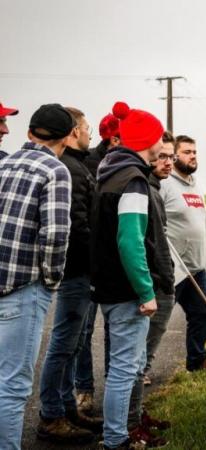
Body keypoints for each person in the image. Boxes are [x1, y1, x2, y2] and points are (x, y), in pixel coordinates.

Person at [91, 101, 172, 450]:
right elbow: (130, 241)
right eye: (158, 138)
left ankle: (121, 431)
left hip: (107, 286)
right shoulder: (135, 180)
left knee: (124, 366)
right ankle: (115, 439)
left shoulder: (109, 170)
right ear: (150, 140)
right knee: (125, 369)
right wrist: (145, 291)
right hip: (126, 291)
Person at [0, 103, 74, 450]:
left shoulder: (4, 162)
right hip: (24, 288)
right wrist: (52, 279)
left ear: (29, 132)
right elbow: (56, 235)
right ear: (66, 137)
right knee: (12, 388)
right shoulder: (55, 170)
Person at [37, 107, 103, 444]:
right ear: (74, 131)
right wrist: (93, 265)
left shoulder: (78, 164)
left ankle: (65, 406)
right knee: (64, 344)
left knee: (74, 343)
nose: (90, 134)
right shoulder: (71, 170)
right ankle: (51, 415)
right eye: (87, 128)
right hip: (76, 270)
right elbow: (78, 227)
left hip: (79, 271)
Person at [160, 134, 206, 372]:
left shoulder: (195, 184)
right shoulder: (165, 183)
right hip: (174, 267)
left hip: (196, 267)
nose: (193, 156)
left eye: (195, 152)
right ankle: (140, 369)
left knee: (201, 316)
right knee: (157, 321)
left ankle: (197, 361)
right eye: (187, 152)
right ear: (174, 155)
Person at [76, 111, 122, 415]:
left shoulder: (127, 162)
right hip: (92, 258)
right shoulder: (89, 163)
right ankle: (84, 388)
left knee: (113, 327)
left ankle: (112, 388)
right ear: (115, 138)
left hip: (116, 258)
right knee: (84, 328)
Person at [143, 131, 176, 385]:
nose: (168, 162)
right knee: (137, 357)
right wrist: (164, 280)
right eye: (162, 156)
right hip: (153, 284)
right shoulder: (145, 190)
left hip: (159, 280)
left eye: (171, 157)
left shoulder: (154, 188)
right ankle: (130, 421)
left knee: (144, 353)